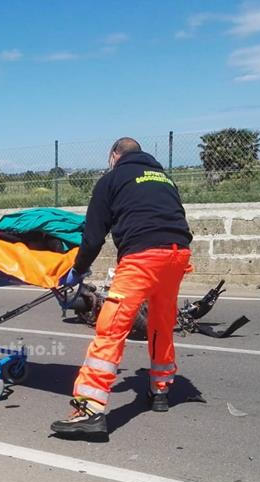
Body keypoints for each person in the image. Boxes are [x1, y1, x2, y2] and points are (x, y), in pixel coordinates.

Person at [50, 138, 193, 440]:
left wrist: (78, 270)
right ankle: (160, 390)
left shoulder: (111, 179)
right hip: (177, 254)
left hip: (142, 257)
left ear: (114, 155)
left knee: (111, 327)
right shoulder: (164, 178)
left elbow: (93, 237)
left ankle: (89, 409)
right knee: (162, 321)